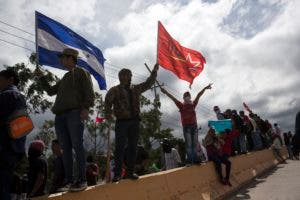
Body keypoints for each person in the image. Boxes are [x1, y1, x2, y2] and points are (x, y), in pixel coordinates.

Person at [38, 48, 95, 191]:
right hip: (60, 116)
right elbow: (51, 91)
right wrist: (42, 78)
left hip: (74, 114)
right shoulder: (64, 78)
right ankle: (69, 181)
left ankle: (82, 180)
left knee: (77, 145)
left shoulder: (81, 72)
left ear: (71, 58)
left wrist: (86, 107)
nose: (60, 60)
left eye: (62, 57)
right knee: (65, 149)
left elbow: (89, 91)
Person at [104, 63, 159, 182]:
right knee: (119, 148)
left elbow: (148, 83)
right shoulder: (115, 90)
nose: (126, 77)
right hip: (122, 122)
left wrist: (154, 71)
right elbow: (107, 101)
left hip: (135, 122)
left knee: (133, 148)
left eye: (128, 75)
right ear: (120, 77)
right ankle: (118, 173)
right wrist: (108, 114)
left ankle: (129, 172)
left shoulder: (135, 88)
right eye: (123, 75)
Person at [160, 83, 212, 164]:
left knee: (194, 143)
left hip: (194, 126)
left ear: (190, 97)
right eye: (186, 96)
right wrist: (165, 92)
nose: (187, 97)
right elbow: (173, 98)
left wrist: (205, 88)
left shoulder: (193, 105)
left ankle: (195, 159)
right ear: (184, 98)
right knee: (189, 144)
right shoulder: (181, 105)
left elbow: (198, 95)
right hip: (186, 127)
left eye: (188, 95)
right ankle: (191, 160)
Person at [0, 69, 27, 200]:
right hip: (14, 148)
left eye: (1, 79)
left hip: (4, 147)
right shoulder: (20, 97)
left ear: (10, 79)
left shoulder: (7, 95)